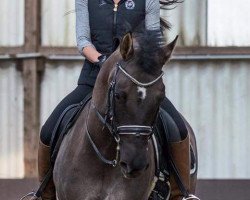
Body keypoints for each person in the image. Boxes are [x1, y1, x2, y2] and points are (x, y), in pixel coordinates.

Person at [34, 0, 191, 200]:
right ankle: (43, 194)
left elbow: (152, 42)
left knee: (178, 128)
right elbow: (83, 41)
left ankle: (181, 194)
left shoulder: (148, 1)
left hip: (135, 83)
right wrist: (104, 61)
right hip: (94, 79)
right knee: (49, 129)